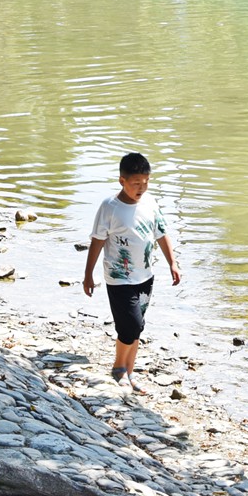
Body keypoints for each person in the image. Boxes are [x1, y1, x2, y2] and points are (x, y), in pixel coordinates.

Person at [82, 151, 181, 389]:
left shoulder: (150, 202)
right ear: (122, 181)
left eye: (146, 182)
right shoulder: (110, 207)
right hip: (119, 278)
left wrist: (172, 263)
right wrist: (88, 274)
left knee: (137, 326)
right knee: (132, 325)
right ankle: (118, 367)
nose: (141, 188)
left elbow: (161, 233)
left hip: (145, 276)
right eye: (136, 183)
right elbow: (97, 241)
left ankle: (129, 371)